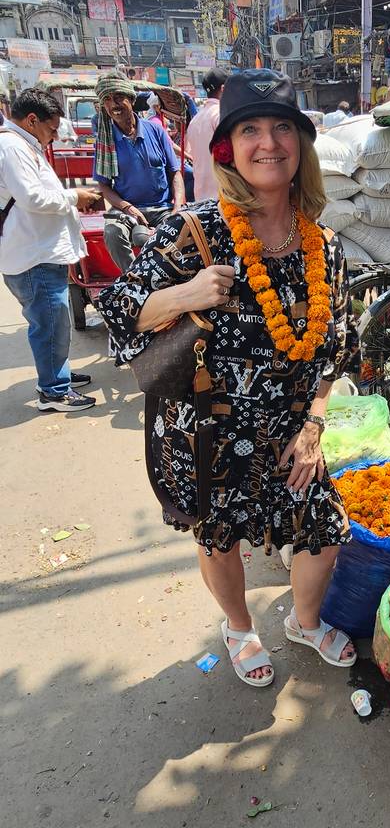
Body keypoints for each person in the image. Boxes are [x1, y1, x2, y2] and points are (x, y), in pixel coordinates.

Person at [96, 68, 358, 685]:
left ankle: (303, 620)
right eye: (251, 131)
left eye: (283, 129)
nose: (269, 143)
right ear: (229, 149)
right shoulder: (192, 231)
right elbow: (118, 313)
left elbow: (335, 349)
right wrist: (185, 292)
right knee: (219, 539)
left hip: (289, 432)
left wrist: (315, 424)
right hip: (207, 432)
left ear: (301, 145)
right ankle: (240, 628)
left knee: (324, 528)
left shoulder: (323, 245)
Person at [0, 88, 102, 412]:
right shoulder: (11, 147)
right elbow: (33, 199)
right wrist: (76, 197)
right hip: (34, 256)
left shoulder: (23, 145)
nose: (54, 135)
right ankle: (54, 391)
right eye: (52, 128)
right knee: (48, 323)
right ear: (32, 120)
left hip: (41, 252)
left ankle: (60, 375)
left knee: (55, 322)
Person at [93, 72, 185, 273]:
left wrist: (178, 206)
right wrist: (128, 208)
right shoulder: (105, 139)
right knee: (112, 231)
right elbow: (104, 186)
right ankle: (133, 278)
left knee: (186, 232)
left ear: (131, 99)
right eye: (107, 100)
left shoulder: (155, 130)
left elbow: (175, 172)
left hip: (161, 209)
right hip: (128, 211)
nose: (114, 105)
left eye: (119, 97)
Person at [185, 68, 229, 201]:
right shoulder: (219, 115)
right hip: (223, 199)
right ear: (223, 88)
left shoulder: (195, 120)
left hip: (201, 198)